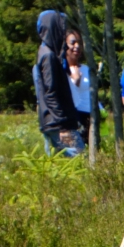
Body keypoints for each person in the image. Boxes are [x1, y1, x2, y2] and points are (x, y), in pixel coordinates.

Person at [34, 10, 84, 156]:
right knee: (79, 160)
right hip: (59, 125)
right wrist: (62, 126)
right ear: (53, 28)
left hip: (55, 122)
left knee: (66, 165)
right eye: (61, 27)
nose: (63, 33)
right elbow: (51, 92)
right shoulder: (48, 56)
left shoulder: (46, 52)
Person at [65, 30, 94, 142]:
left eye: (79, 43)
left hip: (91, 116)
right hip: (76, 117)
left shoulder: (86, 69)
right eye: (73, 43)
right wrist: (76, 80)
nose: (77, 46)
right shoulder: (63, 70)